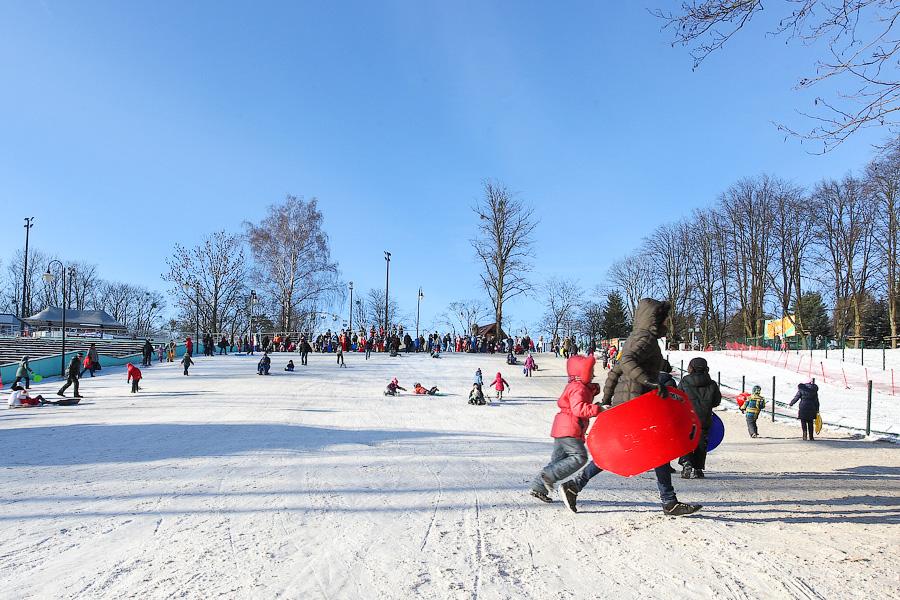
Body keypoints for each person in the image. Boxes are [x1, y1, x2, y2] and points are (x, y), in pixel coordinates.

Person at [562, 299, 701, 517]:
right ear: (654, 319)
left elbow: (616, 370)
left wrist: (608, 399)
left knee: (654, 449)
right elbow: (626, 361)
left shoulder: (636, 338)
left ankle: (669, 501)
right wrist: (651, 382)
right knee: (646, 449)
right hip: (637, 404)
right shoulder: (646, 339)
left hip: (630, 404)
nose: (667, 321)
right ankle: (574, 485)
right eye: (664, 317)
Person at [530, 355, 604, 508]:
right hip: (571, 428)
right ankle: (548, 476)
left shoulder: (575, 386)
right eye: (590, 371)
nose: (593, 374)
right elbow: (579, 409)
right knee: (579, 457)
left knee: (557, 462)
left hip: (561, 428)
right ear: (581, 373)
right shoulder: (579, 388)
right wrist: (598, 409)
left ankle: (539, 487)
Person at [677, 357, 721, 479]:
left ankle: (686, 462)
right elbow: (716, 401)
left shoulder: (685, 381)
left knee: (686, 440)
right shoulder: (712, 383)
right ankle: (698, 469)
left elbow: (678, 397)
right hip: (704, 418)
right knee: (701, 443)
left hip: (687, 417)